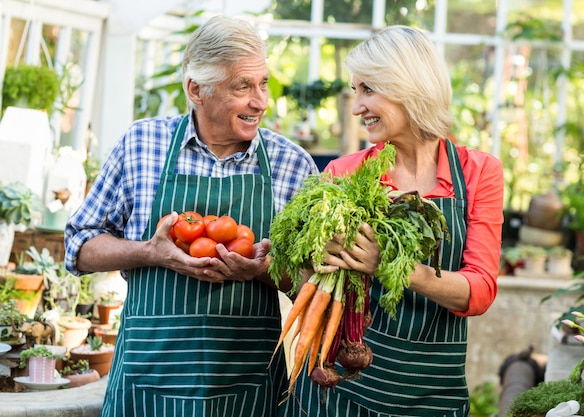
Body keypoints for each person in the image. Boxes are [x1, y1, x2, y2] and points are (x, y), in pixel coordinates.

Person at [64, 15, 319, 417]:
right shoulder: (141, 144)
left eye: (263, 83)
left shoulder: (294, 165)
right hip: (147, 380)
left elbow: (315, 284)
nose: (260, 101)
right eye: (242, 86)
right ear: (196, 90)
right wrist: (150, 252)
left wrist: (263, 270)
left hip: (246, 385)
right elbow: (79, 245)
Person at [280, 25, 504, 417]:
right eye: (356, 91)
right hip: (339, 398)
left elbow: (479, 291)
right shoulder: (343, 174)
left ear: (407, 86)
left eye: (368, 90)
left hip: (434, 399)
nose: (356, 107)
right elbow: (301, 285)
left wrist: (388, 266)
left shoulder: (478, 173)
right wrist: (314, 262)